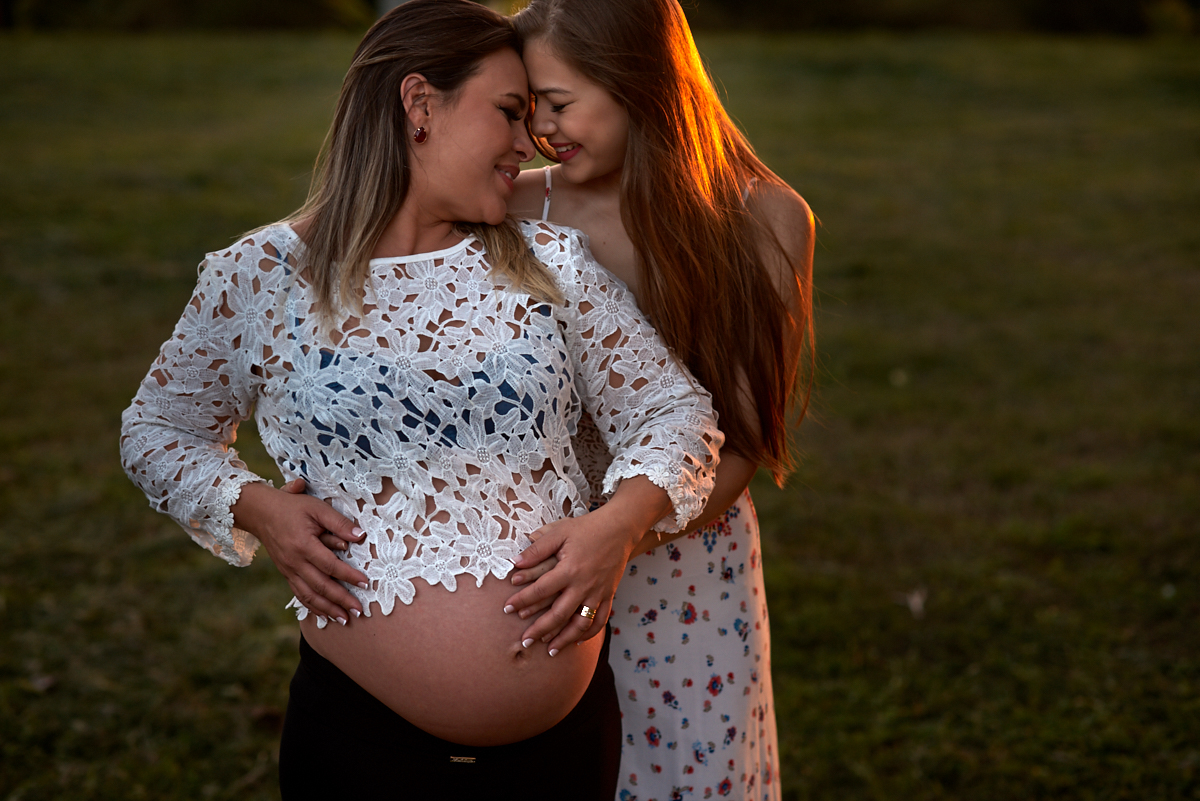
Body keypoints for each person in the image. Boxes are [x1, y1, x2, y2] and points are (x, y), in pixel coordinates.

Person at [118, 1, 722, 797]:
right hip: (361, 742)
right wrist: (258, 506)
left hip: (561, 753)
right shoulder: (260, 275)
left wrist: (617, 524)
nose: (529, 142)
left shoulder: (550, 263)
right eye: (509, 112)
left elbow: (674, 413)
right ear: (419, 105)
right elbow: (157, 428)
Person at [498, 1, 816, 799]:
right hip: (527, 566)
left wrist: (615, 538)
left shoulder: (760, 218)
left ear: (640, 83)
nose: (541, 128)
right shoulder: (511, 207)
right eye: (530, 104)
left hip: (683, 564)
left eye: (560, 103)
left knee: (681, 774)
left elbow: (742, 442)